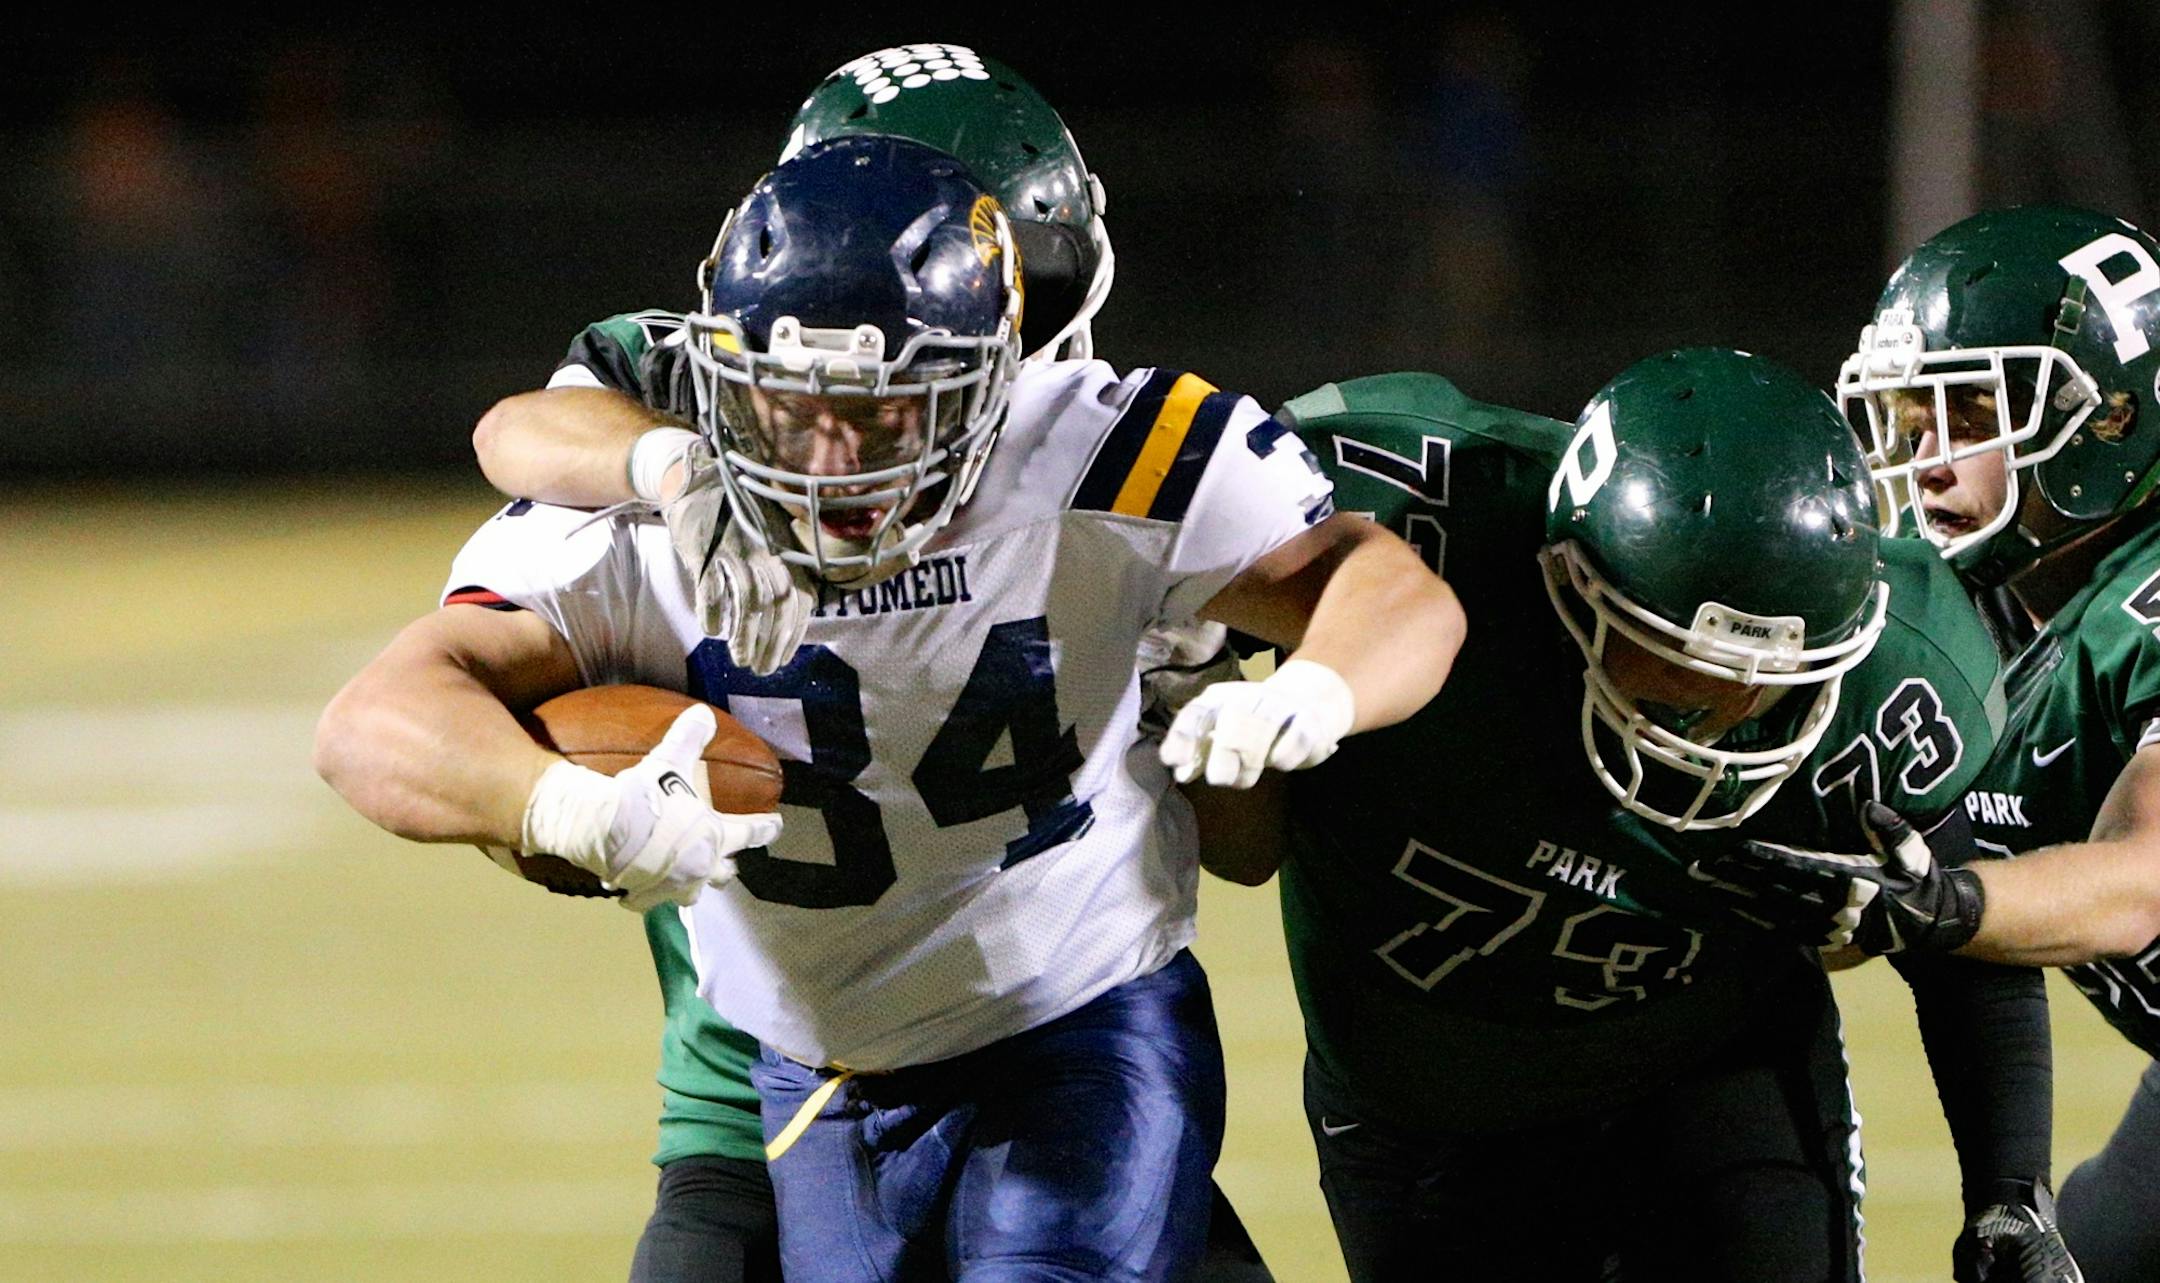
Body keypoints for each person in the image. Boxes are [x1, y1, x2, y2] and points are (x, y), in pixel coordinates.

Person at [316, 134, 1460, 1283]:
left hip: (1077, 1023)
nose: (829, 458)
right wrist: (558, 801)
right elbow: (373, 720)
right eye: (789, 405)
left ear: (987, 387)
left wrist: (1319, 684)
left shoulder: (1100, 453)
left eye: (881, 414)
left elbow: (1387, 585)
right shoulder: (645, 519)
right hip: (816, 1072)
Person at [473, 46, 1270, 1283]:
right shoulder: (691, 387)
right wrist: (676, 466)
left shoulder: (1094, 487)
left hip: (1039, 1044)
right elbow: (523, 428)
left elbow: (1249, 844)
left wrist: (1208, 693)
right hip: (760, 1070)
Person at [1208, 348, 2056, 1280]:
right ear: (1572, 580)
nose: (1726, 705)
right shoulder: (1422, 513)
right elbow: (1162, 601)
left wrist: (2010, 1192)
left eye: (1773, 678)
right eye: (1678, 654)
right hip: (1418, 1110)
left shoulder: (1892, 676)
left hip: (1709, 1079)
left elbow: (1957, 938)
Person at [1708, 204, 2160, 1282]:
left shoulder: (2140, 604)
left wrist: (1944, 903)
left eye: (1973, 415)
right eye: (1914, 421)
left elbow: (2144, 877)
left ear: (2111, 419)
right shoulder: (1971, 611)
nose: (1928, 464)